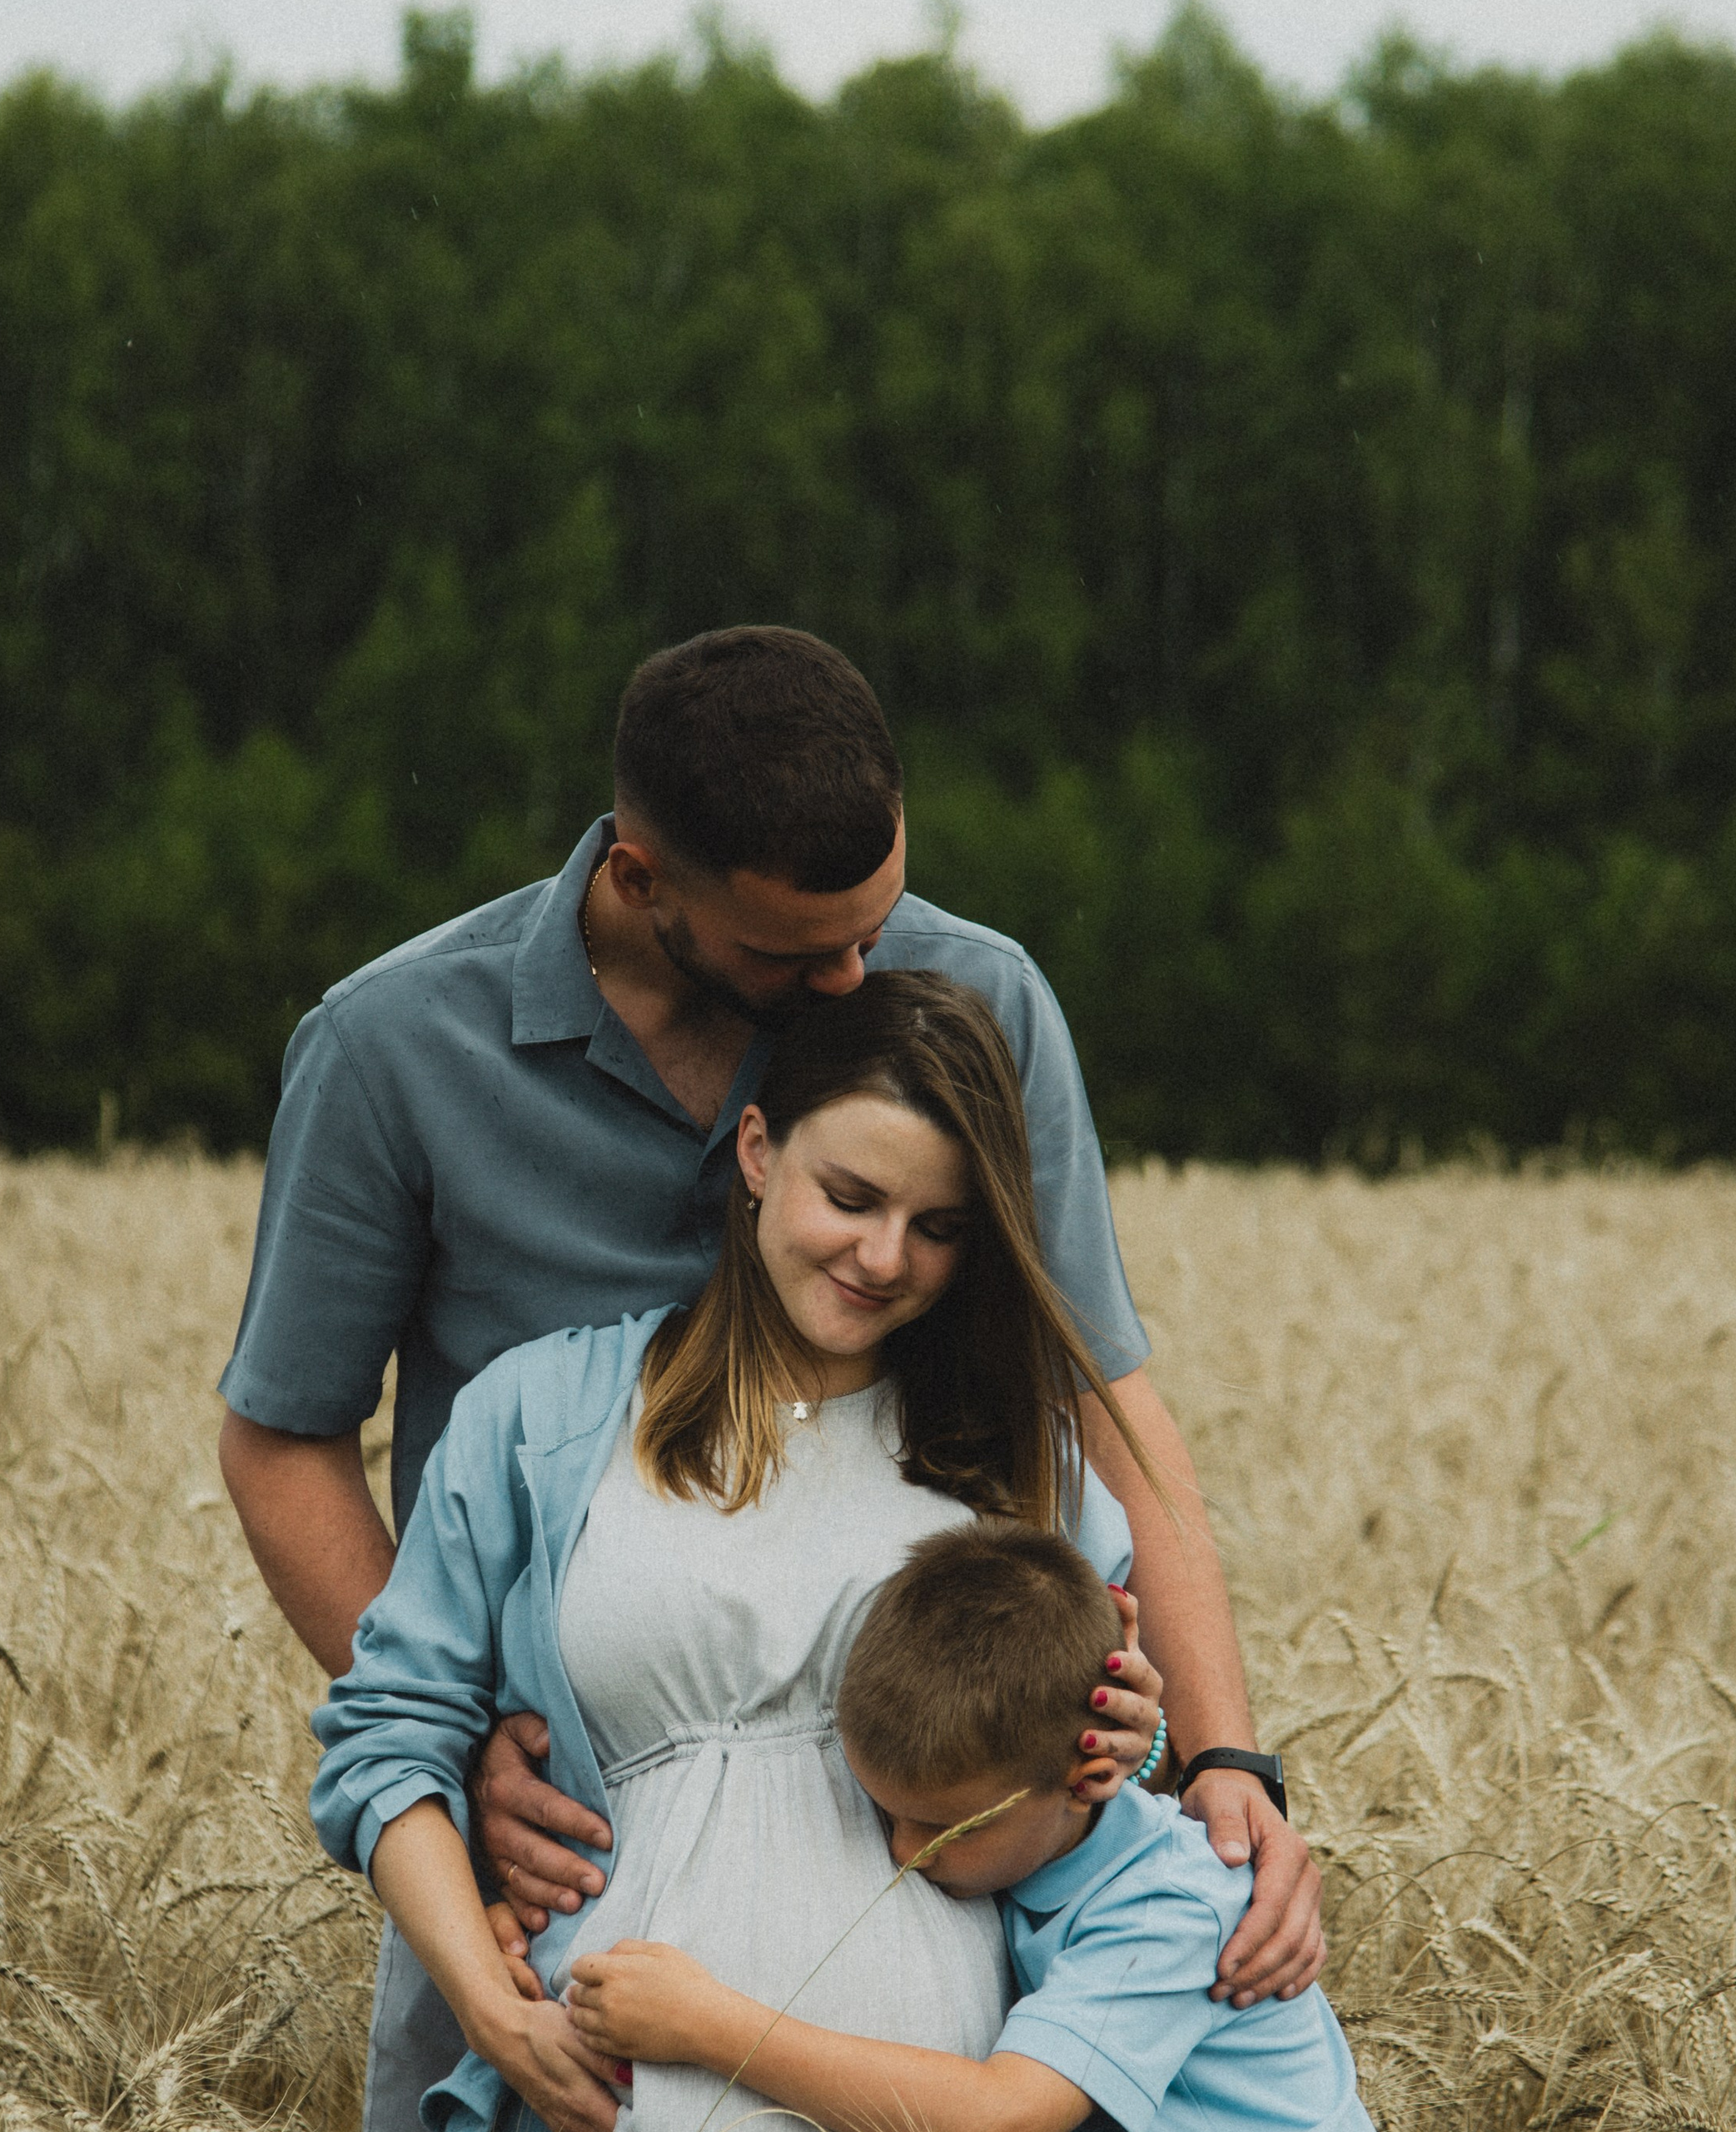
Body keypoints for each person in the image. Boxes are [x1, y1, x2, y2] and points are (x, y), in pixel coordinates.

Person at [218, 626, 1321, 2130]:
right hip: (564, 1855)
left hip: (926, 1899)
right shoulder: (395, 1048)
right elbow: (284, 1442)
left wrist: (1214, 1752)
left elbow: (1098, 1408)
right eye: (799, 956)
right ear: (641, 874)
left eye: (874, 922)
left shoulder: (972, 995)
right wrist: (473, 1745)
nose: (860, 974)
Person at [311, 973, 1169, 2132]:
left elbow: (1089, 1804)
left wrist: (1128, 1739)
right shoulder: (543, 1417)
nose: (882, 1256)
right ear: (758, 1153)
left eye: (938, 1228)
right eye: (851, 1196)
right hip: (601, 2094)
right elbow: (390, 1741)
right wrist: (492, 2014)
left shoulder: (1027, 1469)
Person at [567, 1520, 1375, 2132]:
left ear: (1088, 1776)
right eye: (887, 1812)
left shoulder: (1171, 1908)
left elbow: (1003, 2114)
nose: (901, 1851)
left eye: (941, 1827)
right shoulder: (1036, 1836)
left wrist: (708, 2025)